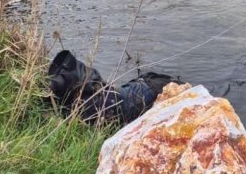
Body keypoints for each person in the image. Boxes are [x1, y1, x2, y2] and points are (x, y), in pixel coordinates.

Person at [47, 49, 183, 125]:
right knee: (174, 87)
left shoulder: (75, 108)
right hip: (141, 91)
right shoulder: (87, 104)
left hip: (136, 91)